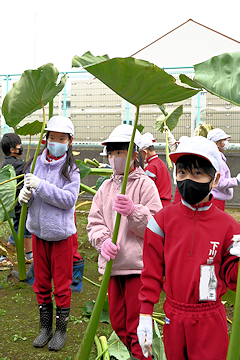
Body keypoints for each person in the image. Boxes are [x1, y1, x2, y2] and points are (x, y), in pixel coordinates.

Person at [137, 135, 240, 360]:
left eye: (197, 174)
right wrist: (145, 313)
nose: (187, 180)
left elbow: (233, 279)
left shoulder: (230, 228)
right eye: (182, 173)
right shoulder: (160, 222)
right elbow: (151, 272)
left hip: (210, 317)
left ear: (215, 179)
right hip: (174, 316)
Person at [87, 124, 162, 360]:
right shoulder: (105, 188)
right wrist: (102, 242)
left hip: (138, 267)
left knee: (138, 323)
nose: (116, 158)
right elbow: (94, 223)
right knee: (118, 321)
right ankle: (132, 353)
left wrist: (134, 212)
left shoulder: (145, 185)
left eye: (121, 152)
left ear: (135, 154)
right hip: (113, 266)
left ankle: (143, 356)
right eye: (112, 153)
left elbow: (156, 227)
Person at [18, 116, 80, 351]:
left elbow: (68, 200)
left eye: (61, 139)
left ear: (70, 141)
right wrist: (25, 196)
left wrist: (40, 186)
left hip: (61, 237)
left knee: (62, 286)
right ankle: (45, 328)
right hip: (38, 234)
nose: (55, 142)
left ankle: (61, 331)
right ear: (46, 139)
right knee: (41, 283)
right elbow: (32, 193)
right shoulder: (35, 163)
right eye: (52, 138)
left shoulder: (71, 170)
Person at [0, 133, 33, 263]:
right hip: (20, 204)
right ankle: (4, 257)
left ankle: (29, 255)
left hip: (13, 204)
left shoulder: (6, 165)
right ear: (13, 149)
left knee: (24, 229)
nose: (21, 147)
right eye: (19, 144)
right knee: (21, 229)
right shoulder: (18, 165)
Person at [207, 128, 240, 211]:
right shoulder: (218, 161)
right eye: (224, 140)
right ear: (216, 144)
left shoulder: (213, 157)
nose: (226, 143)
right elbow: (219, 183)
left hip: (213, 198)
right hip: (216, 200)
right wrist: (236, 180)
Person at [140, 132, 172, 207]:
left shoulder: (150, 168)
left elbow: (147, 193)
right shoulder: (161, 163)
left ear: (145, 151)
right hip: (166, 205)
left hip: (157, 205)